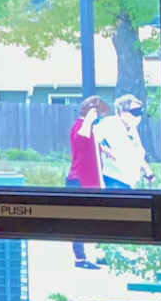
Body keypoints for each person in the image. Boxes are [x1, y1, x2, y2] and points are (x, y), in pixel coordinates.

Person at [66, 96, 111, 269]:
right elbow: (80, 141)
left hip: (91, 181)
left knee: (97, 217)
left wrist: (110, 153)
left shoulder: (90, 129)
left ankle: (100, 254)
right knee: (79, 221)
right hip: (80, 179)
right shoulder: (80, 126)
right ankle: (80, 259)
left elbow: (94, 145)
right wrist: (90, 119)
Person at [95, 94, 156, 190]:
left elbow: (136, 152)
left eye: (140, 113)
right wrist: (106, 150)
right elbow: (91, 142)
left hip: (128, 182)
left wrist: (147, 170)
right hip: (113, 180)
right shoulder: (108, 124)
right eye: (134, 112)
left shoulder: (131, 129)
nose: (138, 116)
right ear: (122, 111)